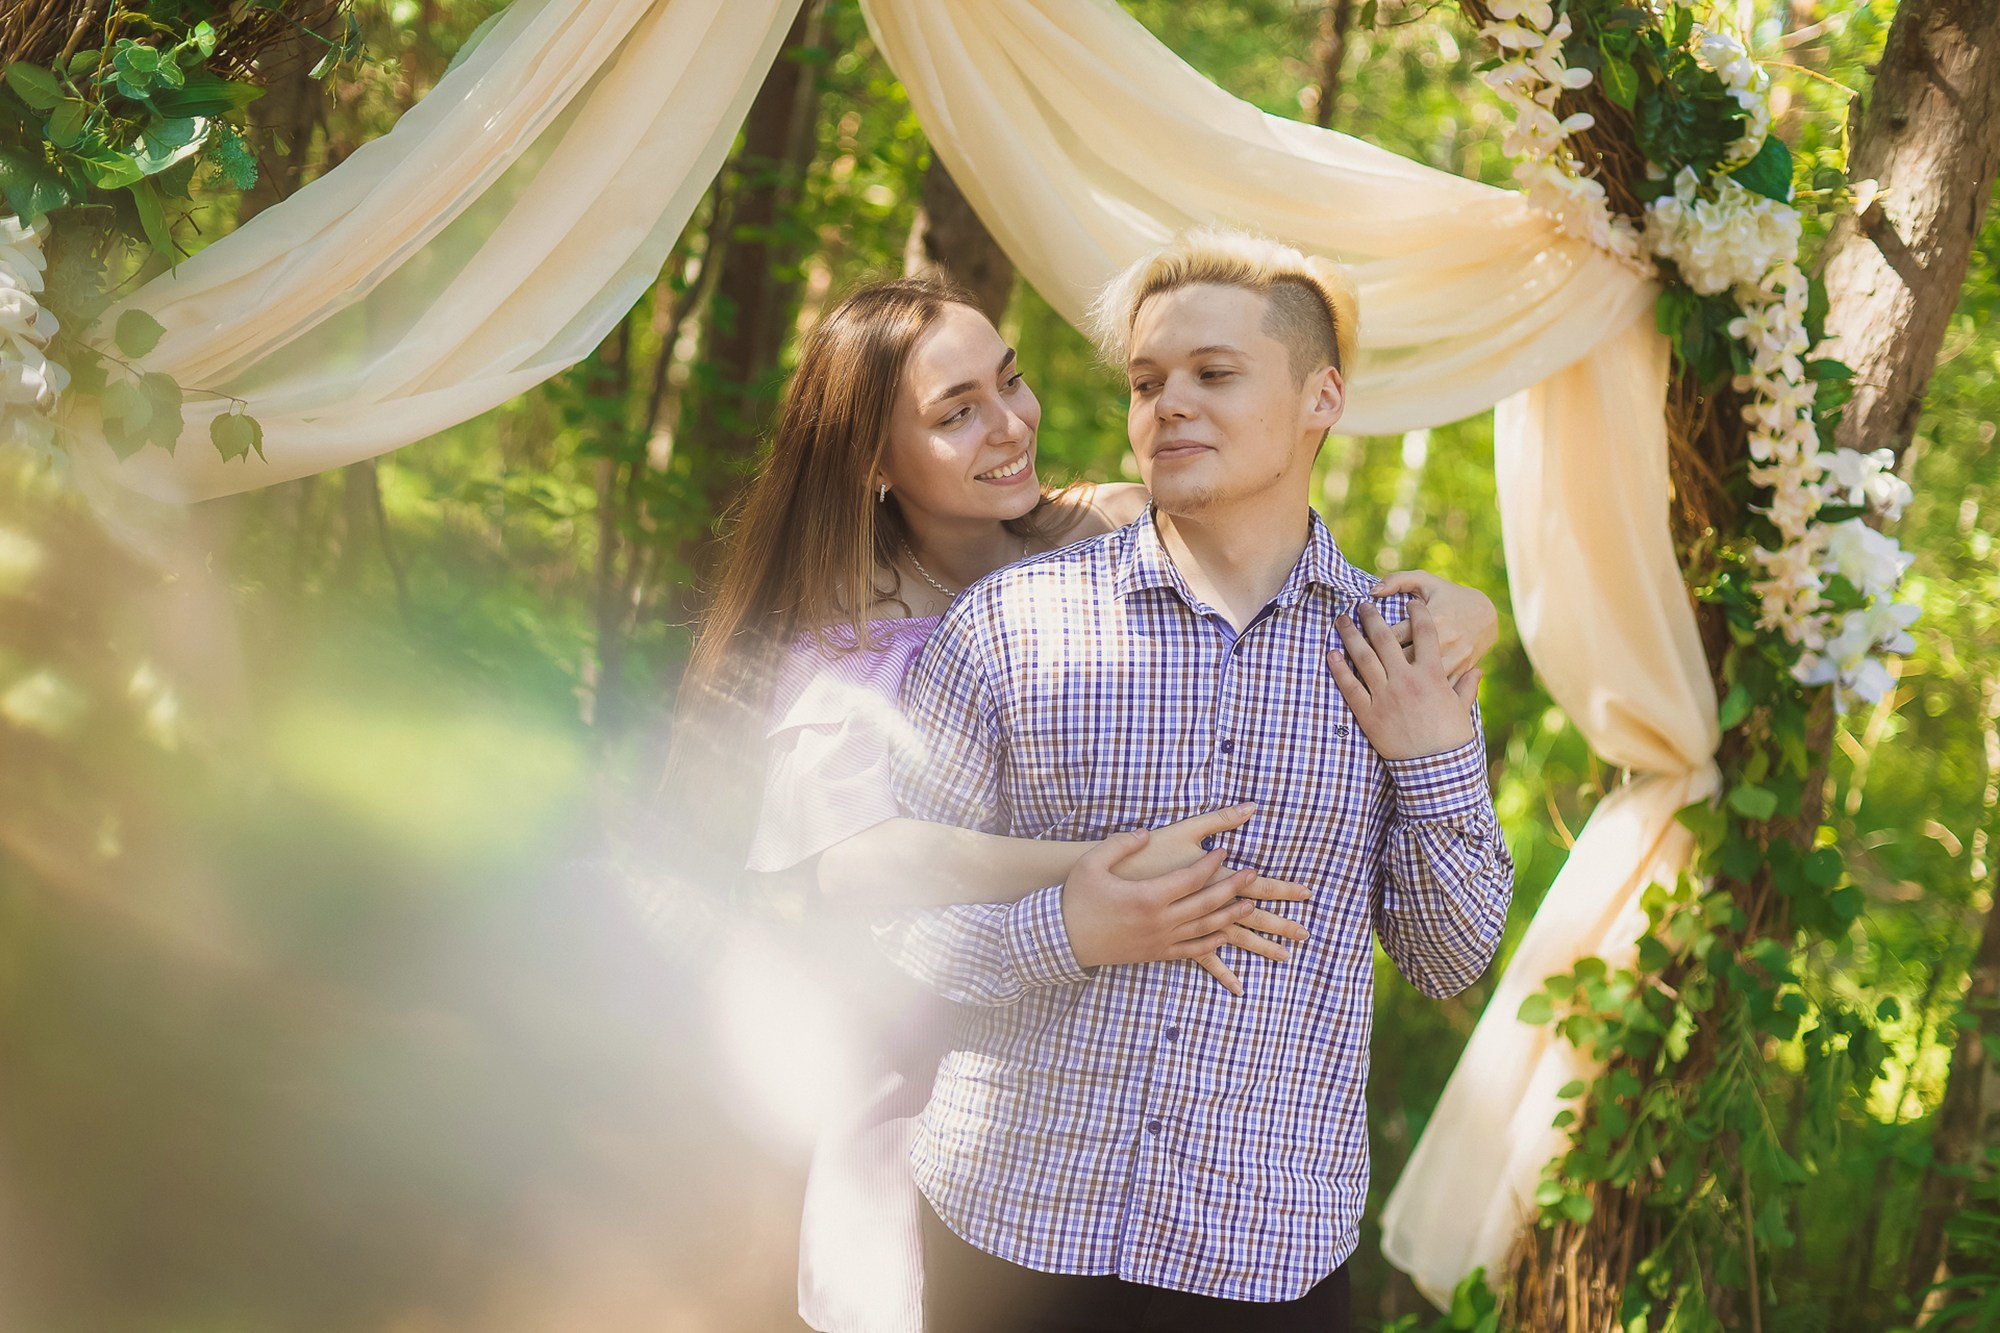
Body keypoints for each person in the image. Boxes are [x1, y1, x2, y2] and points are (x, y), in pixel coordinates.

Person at [670, 273, 1500, 1333]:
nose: (1009, 424)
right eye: (1147, 381)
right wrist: (1076, 909)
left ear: (1321, 400)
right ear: (877, 466)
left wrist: (1446, 689)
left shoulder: (1384, 656)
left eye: (1008, 385)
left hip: (1264, 1249)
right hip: (995, 1198)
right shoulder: (966, 635)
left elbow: (1453, 955)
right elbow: (862, 889)